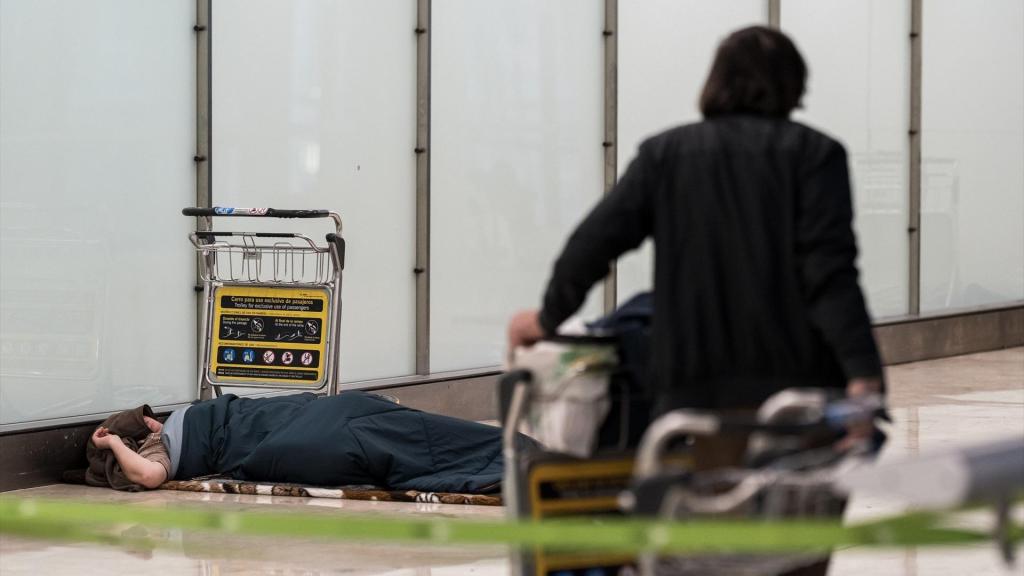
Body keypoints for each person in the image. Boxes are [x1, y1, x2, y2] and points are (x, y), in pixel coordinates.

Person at [508, 25, 883, 423]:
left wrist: (547, 317)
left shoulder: (664, 155)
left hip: (690, 386)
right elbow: (830, 273)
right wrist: (862, 372)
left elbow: (592, 244)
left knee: (702, 481)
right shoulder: (817, 154)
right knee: (806, 479)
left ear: (716, 81)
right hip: (797, 384)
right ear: (794, 84)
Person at [85, 391, 525, 493]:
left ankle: (513, 457)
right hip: (307, 433)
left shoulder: (184, 421)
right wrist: (113, 447)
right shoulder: (158, 450)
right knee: (417, 435)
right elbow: (145, 478)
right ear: (142, 432)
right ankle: (515, 454)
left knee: (408, 442)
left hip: (310, 423)